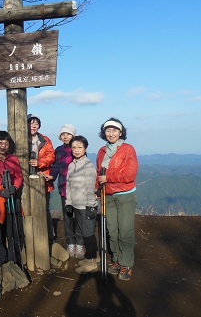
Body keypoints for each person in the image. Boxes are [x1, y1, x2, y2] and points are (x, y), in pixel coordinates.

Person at [96, 117, 138, 281]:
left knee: (125, 230)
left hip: (125, 194)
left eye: (114, 130)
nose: (111, 133)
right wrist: (97, 189)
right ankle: (117, 260)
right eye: (108, 130)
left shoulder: (128, 149)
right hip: (107, 194)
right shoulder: (101, 151)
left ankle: (127, 263)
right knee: (112, 230)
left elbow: (130, 174)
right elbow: (99, 172)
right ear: (104, 133)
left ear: (121, 132)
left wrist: (108, 178)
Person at [0, 130, 23, 264]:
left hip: (12, 200)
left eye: (6, 143)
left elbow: (19, 176)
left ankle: (14, 260)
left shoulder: (13, 159)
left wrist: (15, 187)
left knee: (13, 232)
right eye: (0, 143)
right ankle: (1, 262)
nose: (3, 146)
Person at [64, 135, 99, 273]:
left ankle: (92, 261)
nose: (76, 150)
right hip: (76, 205)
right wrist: (69, 203)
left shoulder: (88, 165)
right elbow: (69, 186)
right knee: (83, 231)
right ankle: (91, 257)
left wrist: (91, 205)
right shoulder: (72, 165)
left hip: (86, 205)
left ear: (85, 149)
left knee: (88, 233)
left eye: (80, 147)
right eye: (74, 147)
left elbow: (91, 187)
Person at [45, 124, 78, 257]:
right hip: (64, 188)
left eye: (68, 134)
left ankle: (80, 243)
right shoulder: (59, 150)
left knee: (80, 217)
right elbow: (57, 166)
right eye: (63, 134)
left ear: (73, 135)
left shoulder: (77, 148)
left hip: (78, 188)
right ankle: (70, 243)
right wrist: (52, 176)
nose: (65, 136)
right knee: (67, 216)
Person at [27, 114, 56, 251]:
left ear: (39, 126)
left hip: (43, 178)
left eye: (36, 123)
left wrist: (39, 163)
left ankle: (49, 237)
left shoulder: (45, 140)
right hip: (26, 179)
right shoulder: (20, 140)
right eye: (30, 122)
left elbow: (51, 156)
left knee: (45, 209)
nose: (33, 125)